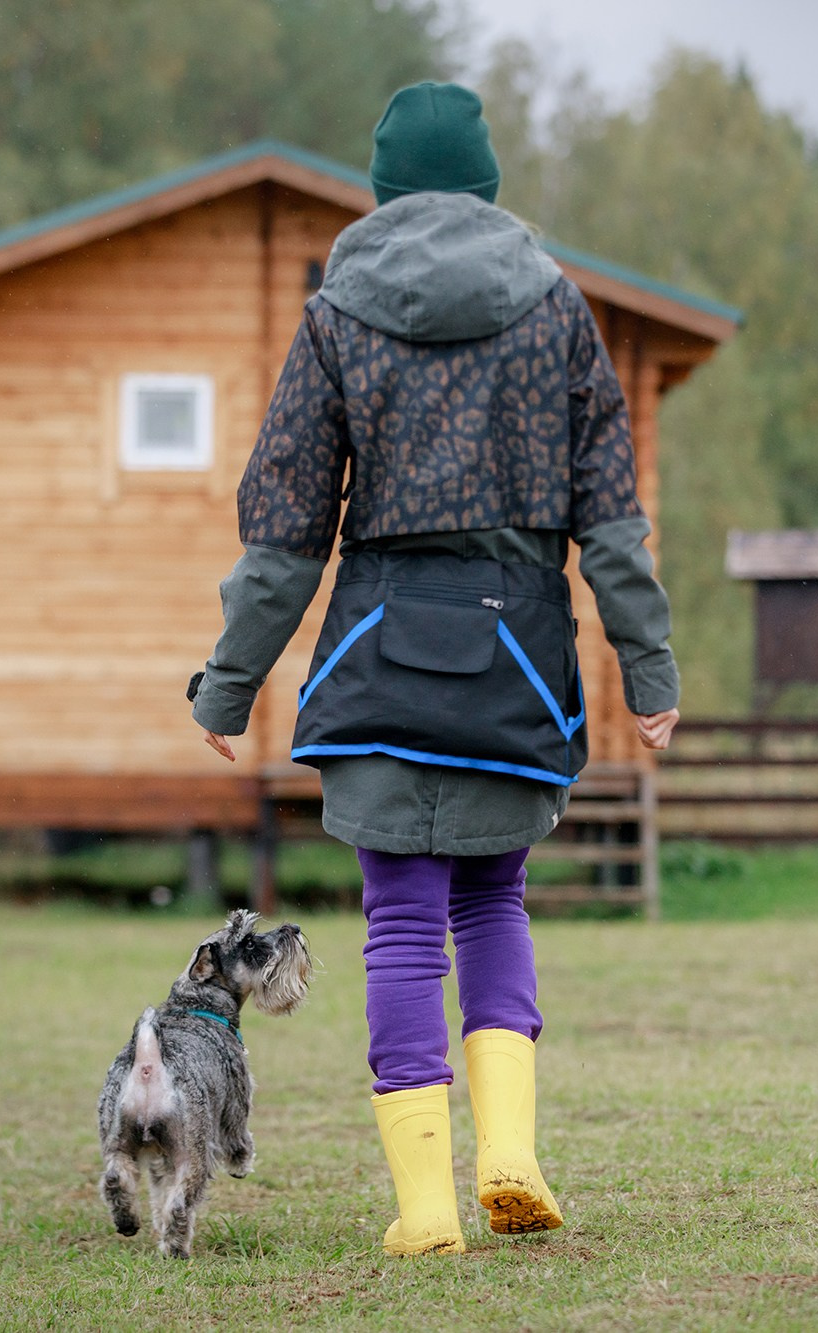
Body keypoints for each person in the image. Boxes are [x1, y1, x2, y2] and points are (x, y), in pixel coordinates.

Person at [186, 81, 680, 1257]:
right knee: (493, 899)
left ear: (384, 189)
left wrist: (228, 678)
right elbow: (611, 517)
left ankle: (424, 1208)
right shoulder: (557, 310)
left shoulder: (335, 316)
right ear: (486, 184)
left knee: (402, 923)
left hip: (379, 656)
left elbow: (287, 528)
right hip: (517, 654)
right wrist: (648, 664)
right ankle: (509, 1154)